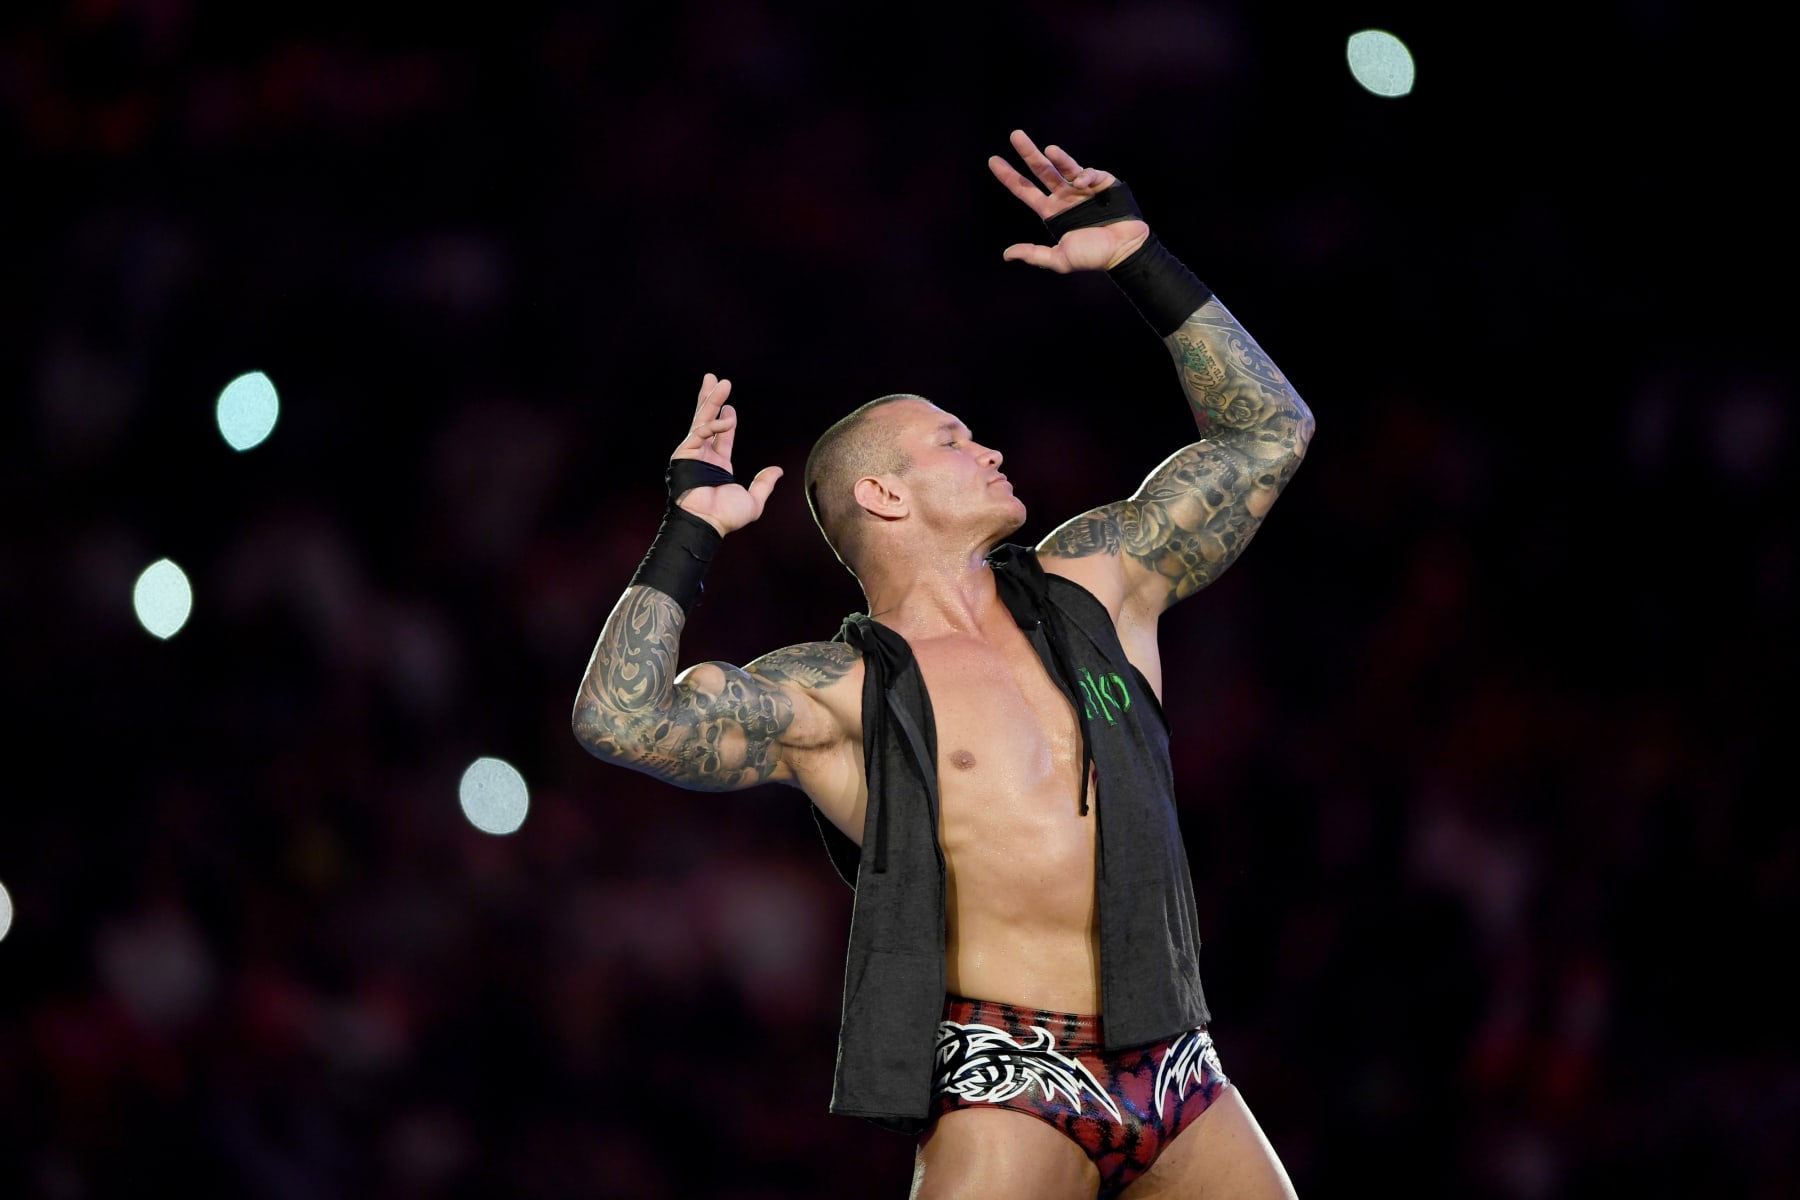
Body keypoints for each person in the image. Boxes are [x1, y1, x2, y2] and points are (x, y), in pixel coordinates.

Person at [572, 129, 1313, 1199]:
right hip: (1016, 1077)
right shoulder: (838, 691)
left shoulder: (1095, 580)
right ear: (886, 495)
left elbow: (1269, 438)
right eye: (955, 441)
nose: (993, 450)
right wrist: (690, 532)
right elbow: (620, 720)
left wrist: (1145, 265)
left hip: (1180, 1063)